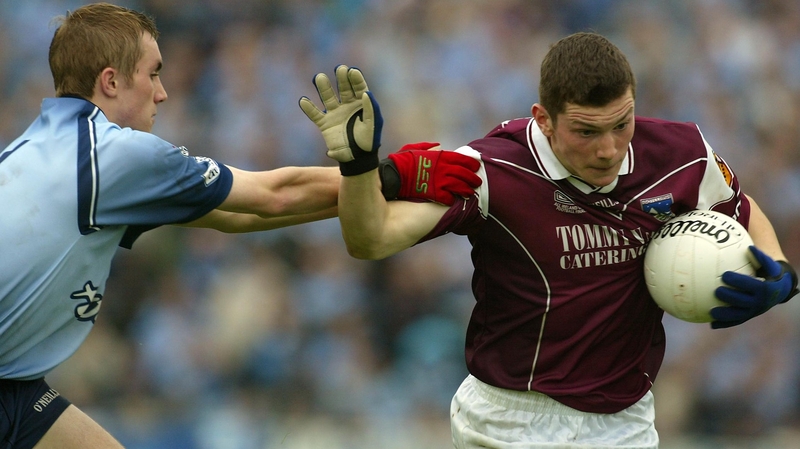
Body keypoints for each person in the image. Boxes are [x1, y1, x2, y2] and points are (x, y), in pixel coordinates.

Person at [0, 3, 481, 448]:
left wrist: (374, 182)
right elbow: (272, 196)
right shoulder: (114, 154)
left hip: (16, 388)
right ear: (110, 81)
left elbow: (231, 216)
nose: (163, 93)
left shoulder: (32, 148)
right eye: (153, 74)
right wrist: (392, 175)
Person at [301, 32, 799, 448]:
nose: (608, 149)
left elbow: (742, 208)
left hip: (625, 422)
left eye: (622, 124)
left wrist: (780, 271)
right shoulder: (491, 170)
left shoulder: (683, 154)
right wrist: (359, 167)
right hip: (508, 421)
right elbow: (371, 240)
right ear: (543, 119)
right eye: (586, 132)